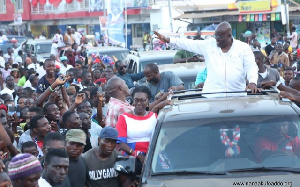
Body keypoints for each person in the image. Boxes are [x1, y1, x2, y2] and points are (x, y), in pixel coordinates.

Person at [153, 22, 258, 97]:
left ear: (229, 35)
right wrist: (168, 40)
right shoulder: (209, 45)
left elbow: (251, 66)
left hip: (237, 95)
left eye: (219, 38)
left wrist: (252, 81)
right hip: (212, 96)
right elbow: (188, 44)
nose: (216, 41)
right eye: (215, 37)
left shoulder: (243, 47)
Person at [116, 86, 158, 173]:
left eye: (142, 100)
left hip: (152, 156)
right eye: (136, 100)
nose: (139, 103)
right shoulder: (124, 117)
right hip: (131, 158)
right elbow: (121, 144)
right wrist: (138, 155)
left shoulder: (154, 117)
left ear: (149, 100)